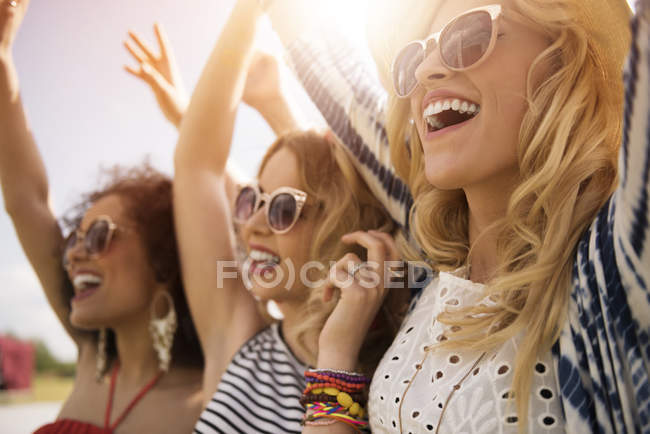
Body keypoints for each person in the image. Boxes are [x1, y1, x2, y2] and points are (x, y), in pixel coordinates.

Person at [262, 0, 650, 432]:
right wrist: (335, 354)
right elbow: (332, 74)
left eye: (468, 37)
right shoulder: (429, 262)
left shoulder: (607, 268)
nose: (427, 70)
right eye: (413, 59)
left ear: (561, 64)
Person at [167, 0, 409, 432]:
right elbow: (197, 165)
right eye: (249, 200)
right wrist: (246, 13)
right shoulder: (240, 334)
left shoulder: (401, 380)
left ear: (346, 229)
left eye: (281, 209)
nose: (252, 225)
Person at [0, 1, 204, 433]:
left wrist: (189, 121)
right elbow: (27, 201)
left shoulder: (214, 397)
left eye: (99, 237)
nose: (73, 255)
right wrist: (2, 57)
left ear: (165, 259)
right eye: (76, 238)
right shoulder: (91, 357)